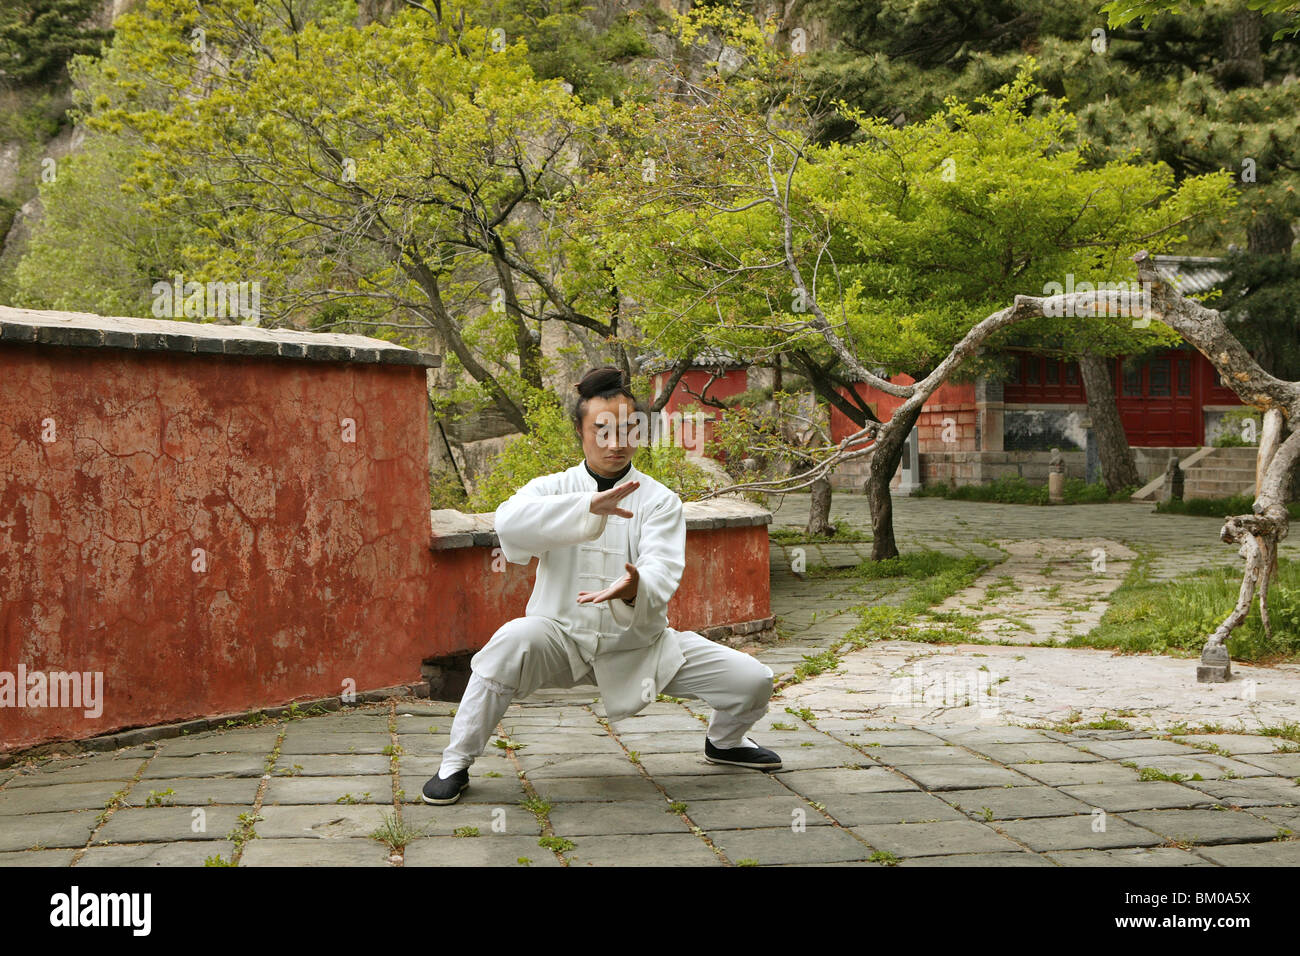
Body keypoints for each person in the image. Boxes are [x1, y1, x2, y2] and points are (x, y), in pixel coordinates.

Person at [422, 367, 779, 805]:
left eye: (627, 429)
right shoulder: (552, 488)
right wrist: (587, 506)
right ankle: (454, 762)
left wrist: (632, 588)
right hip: (560, 636)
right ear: (581, 430)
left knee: (754, 680)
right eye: (602, 430)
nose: (615, 443)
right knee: (508, 643)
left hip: (639, 645)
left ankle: (724, 743)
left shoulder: (660, 500)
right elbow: (510, 522)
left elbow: (663, 569)